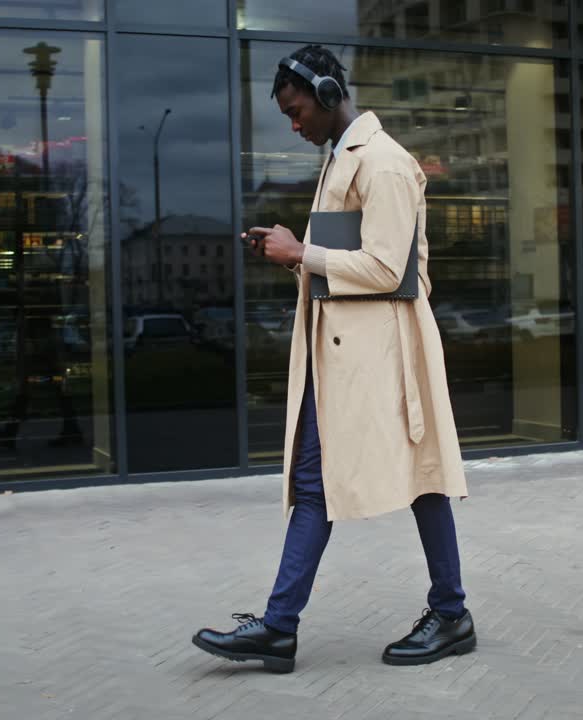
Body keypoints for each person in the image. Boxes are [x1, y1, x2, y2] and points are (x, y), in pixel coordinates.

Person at [191, 45, 475, 673]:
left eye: (297, 112)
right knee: (323, 481)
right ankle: (284, 626)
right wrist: (292, 250)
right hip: (347, 353)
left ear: (325, 93)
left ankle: (444, 614)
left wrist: (299, 254)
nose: (295, 126)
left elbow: (384, 268)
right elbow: (346, 259)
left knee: (419, 474)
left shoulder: (387, 164)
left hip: (386, 354)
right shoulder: (343, 158)